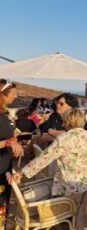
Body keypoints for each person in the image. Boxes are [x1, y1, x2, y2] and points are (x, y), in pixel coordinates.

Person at [8, 108, 87, 230]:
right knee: (85, 214)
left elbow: (43, 159)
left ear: (67, 122)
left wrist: (21, 172)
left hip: (72, 185)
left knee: (75, 214)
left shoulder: (64, 139)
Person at [0, 80, 24, 223]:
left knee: (3, 209)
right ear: (2, 95)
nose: (16, 96)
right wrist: (8, 142)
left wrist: (16, 139)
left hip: (4, 168)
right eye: (14, 93)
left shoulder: (4, 112)